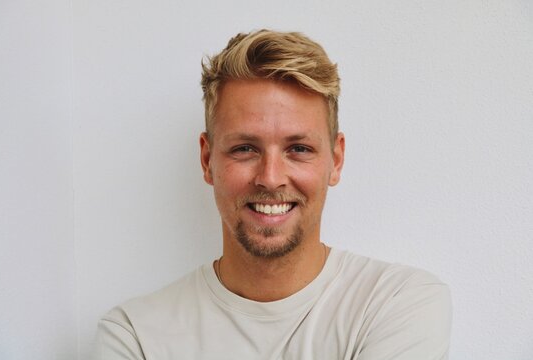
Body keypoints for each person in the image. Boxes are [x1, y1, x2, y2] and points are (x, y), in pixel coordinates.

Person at [93, 29, 452, 360]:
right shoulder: (135, 334)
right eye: (246, 148)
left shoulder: (395, 302)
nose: (270, 178)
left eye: (298, 149)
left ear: (336, 160)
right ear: (207, 159)